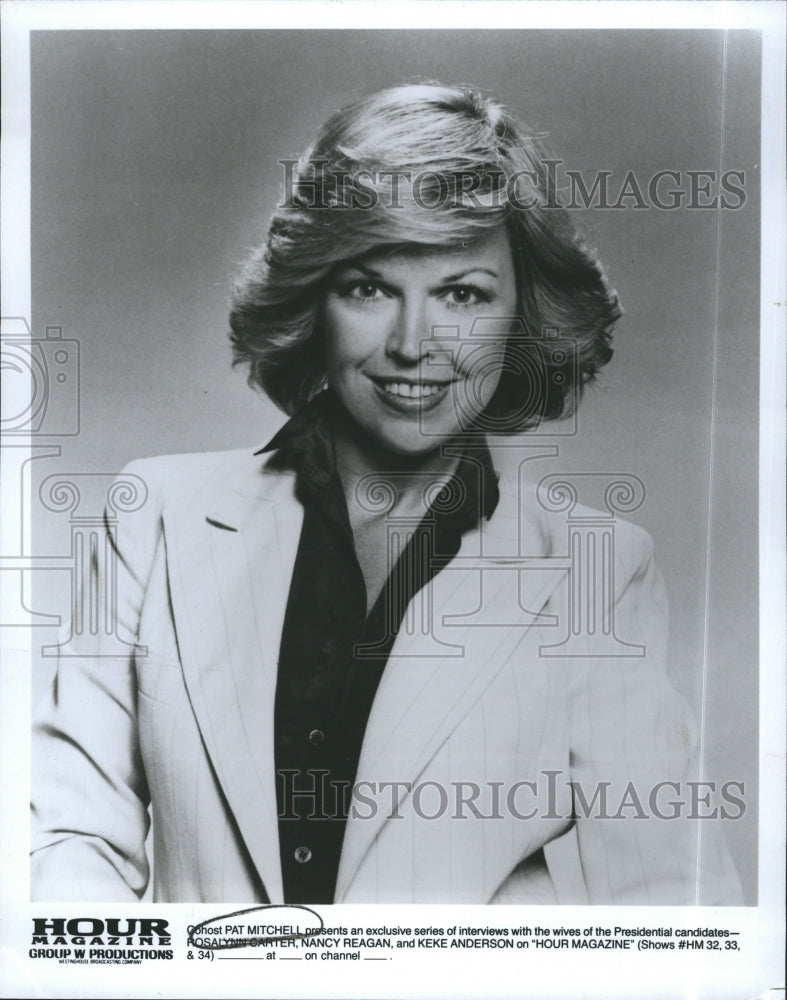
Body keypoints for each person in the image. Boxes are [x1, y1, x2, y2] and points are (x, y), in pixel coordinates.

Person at [31, 83, 742, 904]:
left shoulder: (595, 570)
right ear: (314, 298)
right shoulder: (151, 517)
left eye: (462, 294)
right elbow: (72, 848)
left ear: (521, 317)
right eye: (369, 287)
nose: (413, 344)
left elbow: (672, 908)